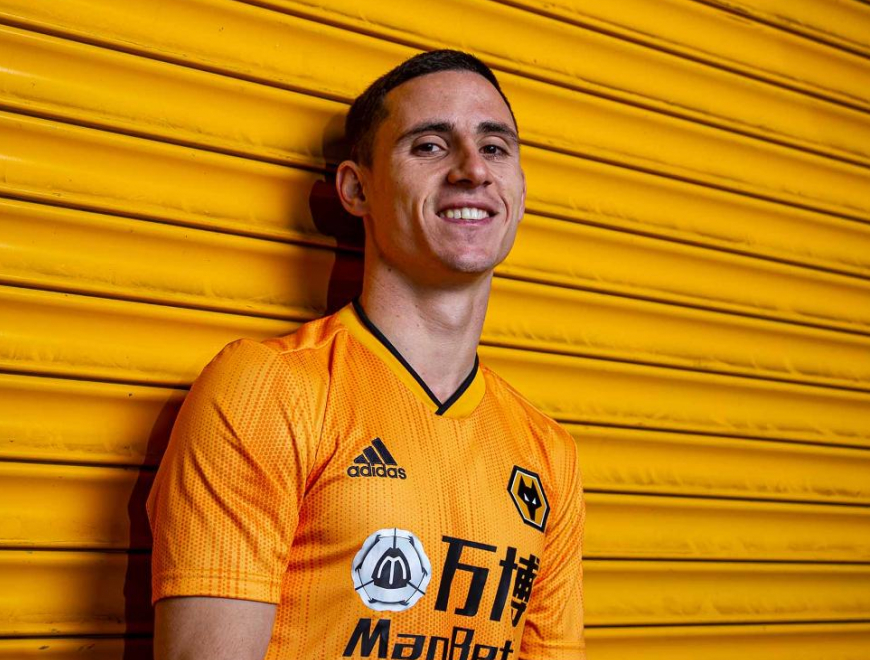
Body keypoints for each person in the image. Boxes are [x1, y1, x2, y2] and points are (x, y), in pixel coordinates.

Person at [148, 49, 586, 660]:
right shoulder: (268, 390)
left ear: (518, 186)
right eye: (430, 146)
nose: (472, 170)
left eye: (495, 147)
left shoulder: (548, 453)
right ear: (357, 189)